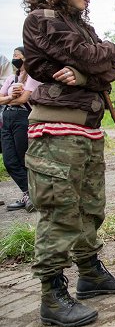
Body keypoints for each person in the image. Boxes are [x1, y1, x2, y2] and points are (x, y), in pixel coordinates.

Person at [22, 0, 115, 327]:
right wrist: (103, 60)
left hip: (87, 131)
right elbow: (91, 57)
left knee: (90, 208)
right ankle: (51, 297)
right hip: (55, 133)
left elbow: (110, 68)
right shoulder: (42, 20)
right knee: (60, 213)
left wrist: (90, 75)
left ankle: (90, 274)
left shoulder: (79, 25)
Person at [1, 47, 40, 212]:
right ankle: (28, 193)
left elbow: (24, 99)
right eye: (13, 55)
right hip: (7, 118)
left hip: (23, 118)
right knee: (9, 160)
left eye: (17, 55)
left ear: (25, 58)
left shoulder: (33, 76)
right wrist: (10, 98)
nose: (14, 58)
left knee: (23, 157)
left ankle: (32, 195)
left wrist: (10, 99)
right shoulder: (11, 78)